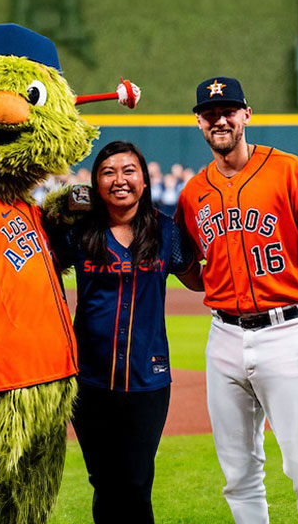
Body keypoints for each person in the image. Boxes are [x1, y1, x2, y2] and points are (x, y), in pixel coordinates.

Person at [175, 76, 298, 524]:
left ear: (246, 115)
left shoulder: (288, 169)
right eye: (211, 114)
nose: (221, 119)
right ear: (199, 122)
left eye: (229, 111)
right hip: (224, 339)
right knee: (238, 474)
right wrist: (172, 261)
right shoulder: (192, 193)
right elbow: (200, 278)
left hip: (290, 334)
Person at [45, 141, 203, 523]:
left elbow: (200, 281)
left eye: (129, 171)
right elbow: (40, 264)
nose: (120, 180)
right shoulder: (79, 232)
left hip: (147, 379)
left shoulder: (166, 232)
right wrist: (59, 210)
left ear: (144, 181)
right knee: (104, 481)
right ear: (96, 183)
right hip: (90, 379)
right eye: (109, 172)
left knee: (135, 482)